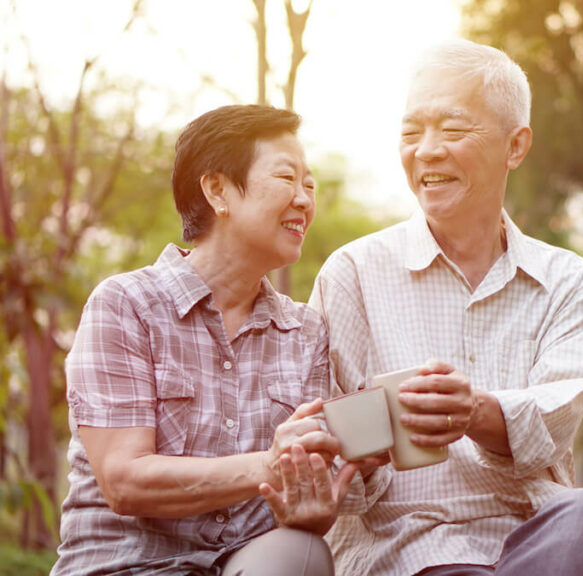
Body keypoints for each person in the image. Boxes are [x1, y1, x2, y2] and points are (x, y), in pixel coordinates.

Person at [309, 40, 583, 576]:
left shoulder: (569, 282)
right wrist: (359, 447)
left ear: (515, 146)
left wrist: (472, 412)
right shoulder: (352, 274)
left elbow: (550, 427)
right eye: (412, 132)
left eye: (453, 129)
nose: (428, 150)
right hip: (408, 546)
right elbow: (332, 471)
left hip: (540, 543)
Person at [51, 104, 372, 576]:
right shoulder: (125, 305)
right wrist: (269, 465)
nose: (305, 200)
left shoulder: (305, 332)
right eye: (287, 178)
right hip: (124, 566)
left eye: (310, 184)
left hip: (248, 565)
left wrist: (310, 505)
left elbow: (302, 509)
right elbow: (124, 481)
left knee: (302, 552)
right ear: (217, 189)